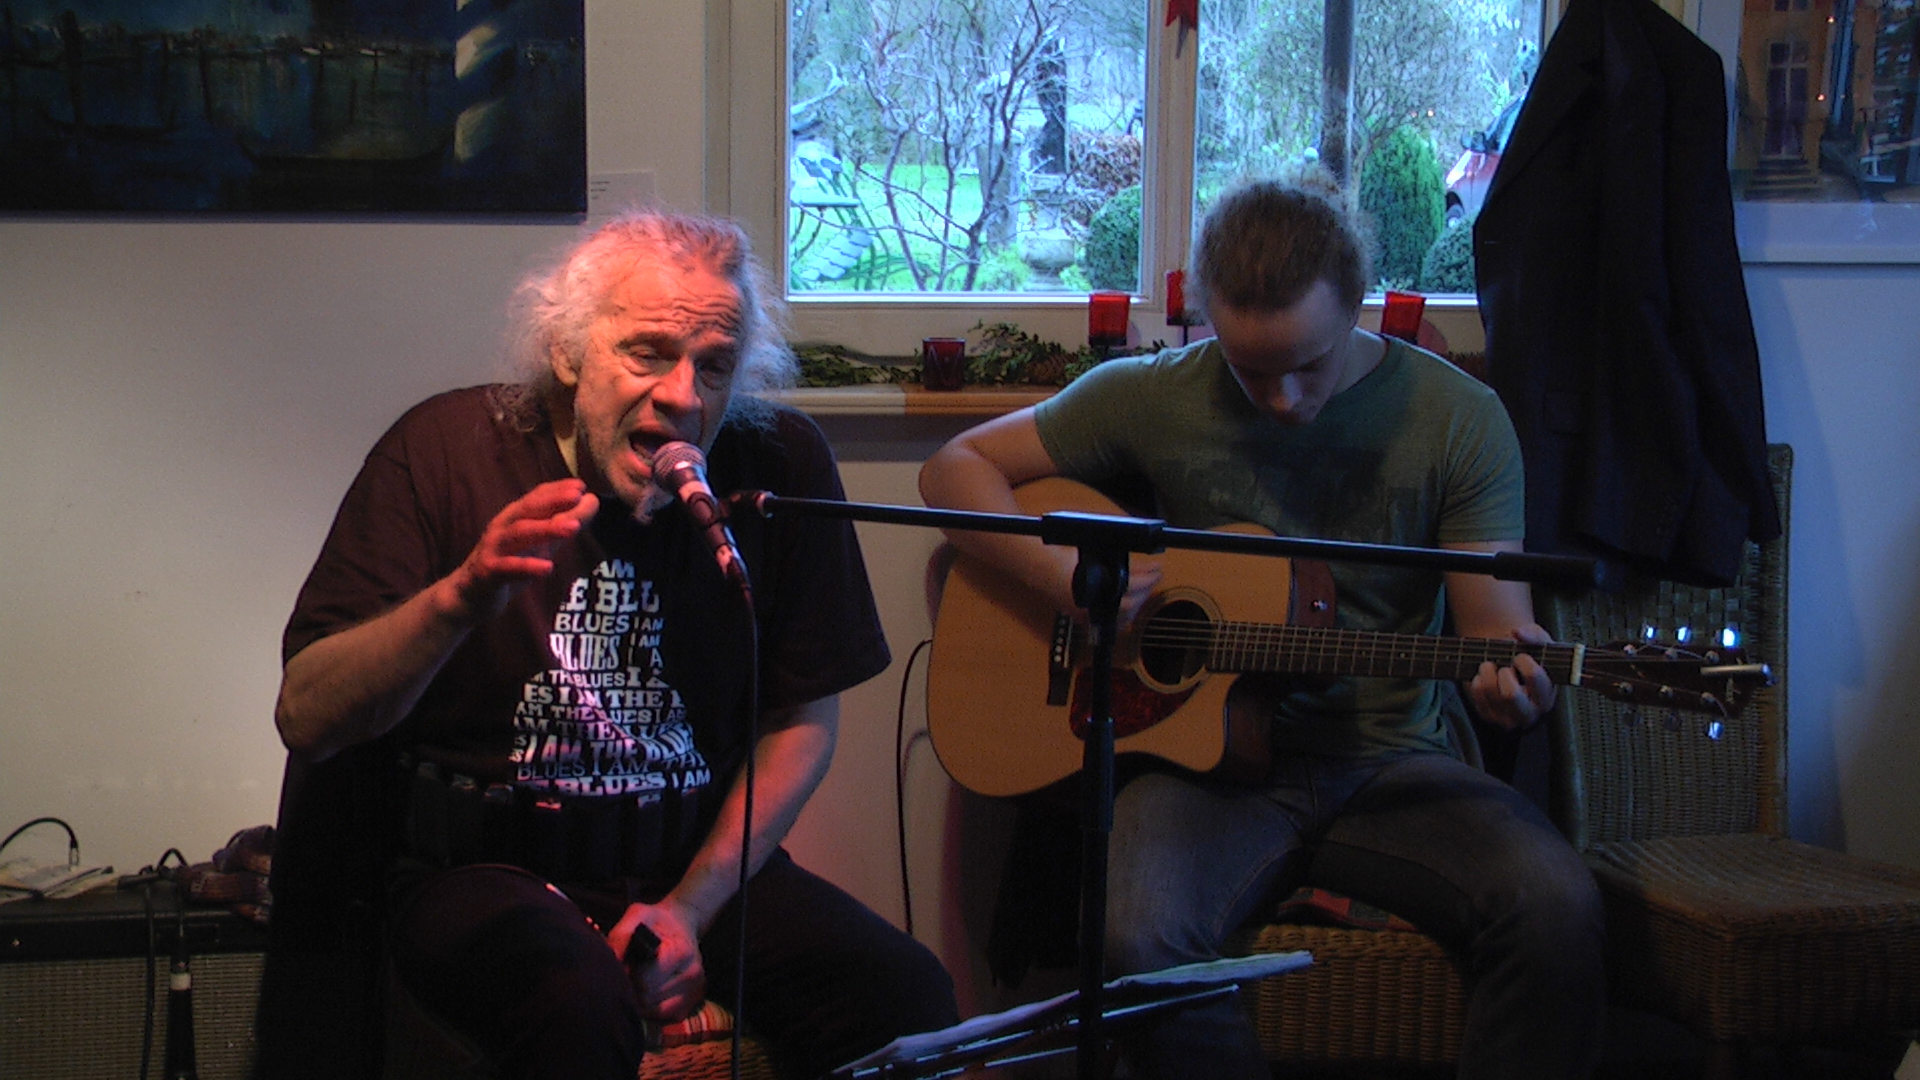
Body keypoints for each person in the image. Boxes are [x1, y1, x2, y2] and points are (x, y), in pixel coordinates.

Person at [918, 176, 1604, 1080]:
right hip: (1203, 771)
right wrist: (1064, 581)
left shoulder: (1458, 420)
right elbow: (955, 467)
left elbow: (1495, 632)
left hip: (1390, 759)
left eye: (1307, 365)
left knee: (1556, 907)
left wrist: (1511, 688)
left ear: (1355, 305)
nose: (1280, 399)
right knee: (1137, 937)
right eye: (1250, 372)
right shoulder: (1154, 394)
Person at [265, 211, 957, 1080]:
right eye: (647, 354)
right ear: (567, 353)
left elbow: (802, 719)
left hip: (691, 859)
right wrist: (460, 598)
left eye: (714, 365)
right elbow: (307, 713)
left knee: (907, 996)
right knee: (576, 1009)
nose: (684, 397)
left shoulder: (779, 465)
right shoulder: (441, 452)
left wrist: (690, 909)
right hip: (484, 864)